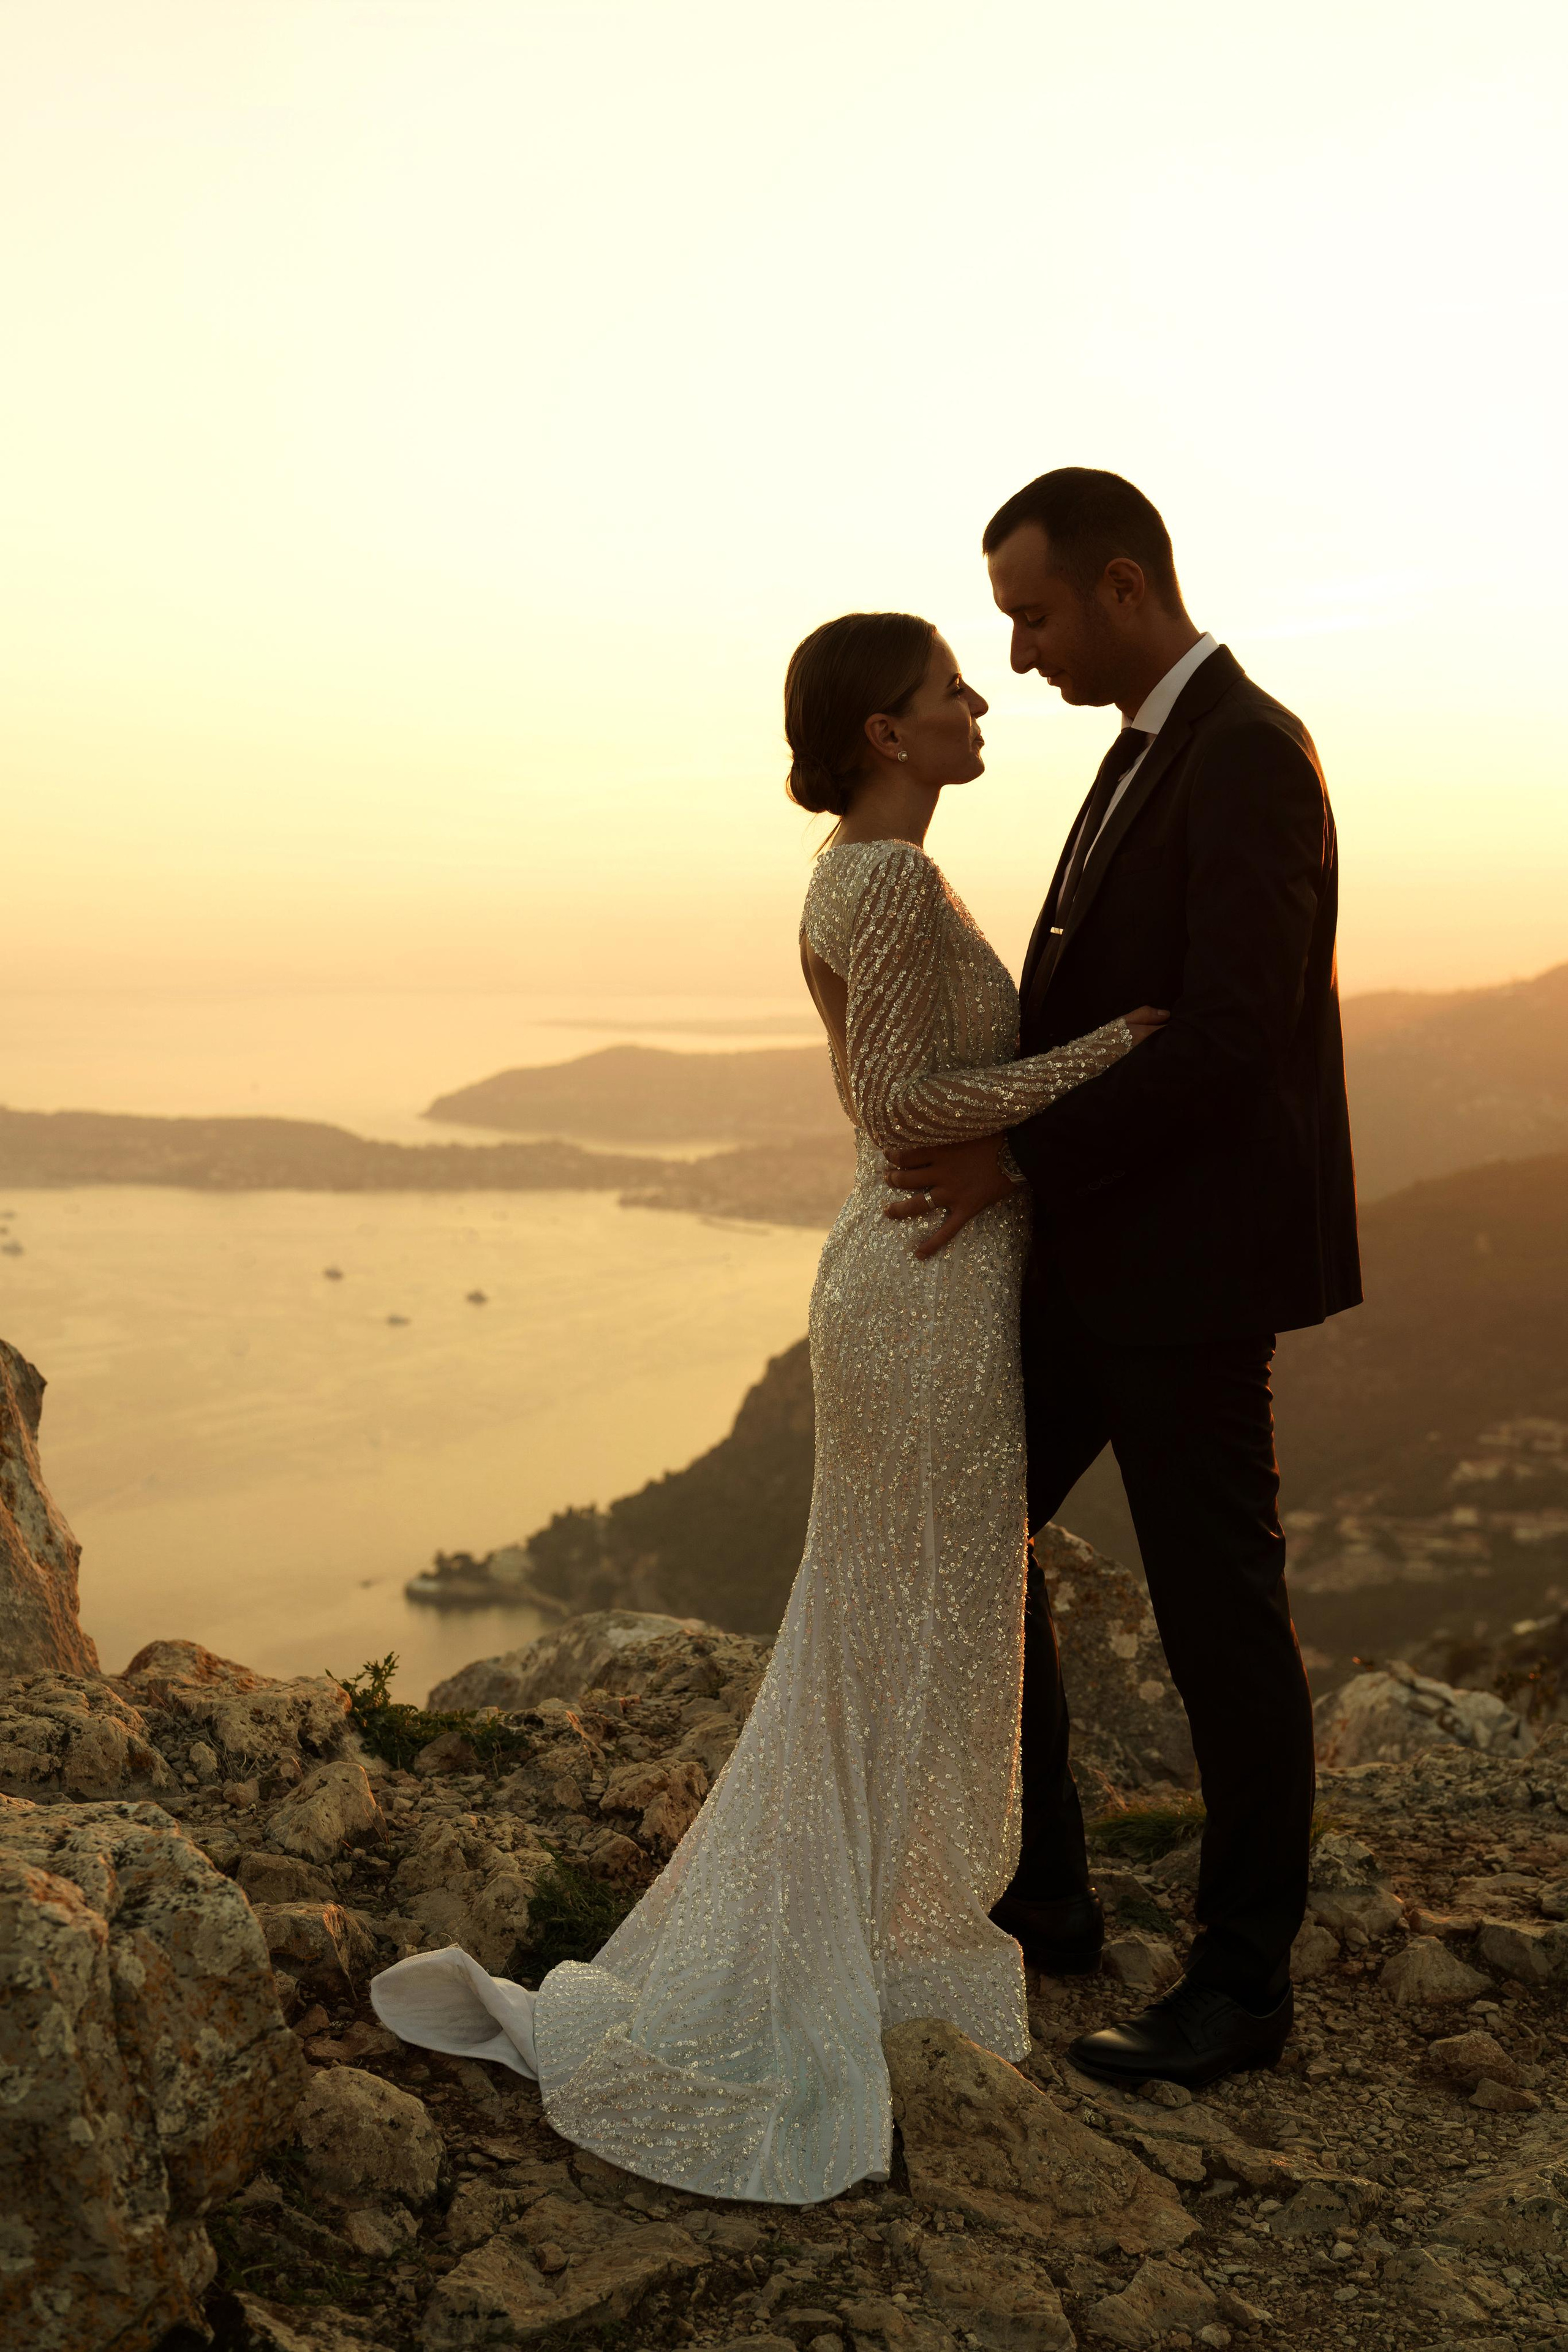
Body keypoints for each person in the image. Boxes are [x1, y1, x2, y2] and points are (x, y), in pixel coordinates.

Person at [369, 609, 1165, 2203]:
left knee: (926, 1613)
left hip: (936, 1285)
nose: (976, 700)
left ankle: (900, 1912)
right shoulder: (877, 882)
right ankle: (861, 1932)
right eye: (951, 687)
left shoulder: (885, 877)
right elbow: (898, 1108)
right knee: (906, 1613)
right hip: (920, 1294)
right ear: (886, 728)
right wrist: (1099, 1064)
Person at [885, 468, 1360, 2090]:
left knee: (1224, 1614)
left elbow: (1233, 1045)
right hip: (1095, 1260)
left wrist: (1016, 1156)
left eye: (1032, 613)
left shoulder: (1246, 757)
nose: (1016, 653)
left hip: (1190, 1269)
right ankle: (1050, 1886)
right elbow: (1089, 1013)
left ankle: (1242, 1988)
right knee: (963, 1498)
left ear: (1120, 585)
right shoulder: (1140, 759)